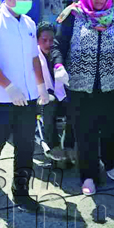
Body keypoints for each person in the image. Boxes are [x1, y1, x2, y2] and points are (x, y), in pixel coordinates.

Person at [52, 0, 114, 196]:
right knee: (84, 133)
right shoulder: (73, 15)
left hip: (112, 85)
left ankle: (108, 161)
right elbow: (58, 45)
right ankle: (88, 175)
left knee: (110, 128)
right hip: (80, 87)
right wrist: (58, 66)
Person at [0, 0, 49, 212]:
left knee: (26, 146)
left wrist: (41, 86)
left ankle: (21, 193)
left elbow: (34, 58)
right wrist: (8, 86)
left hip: (26, 98)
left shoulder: (28, 24)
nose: (28, 1)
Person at [36, 21, 74, 162]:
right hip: (40, 96)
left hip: (60, 93)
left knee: (74, 102)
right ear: (37, 40)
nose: (48, 44)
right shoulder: (33, 56)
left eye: (52, 40)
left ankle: (69, 144)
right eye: (44, 40)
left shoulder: (59, 54)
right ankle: (53, 144)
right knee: (49, 102)